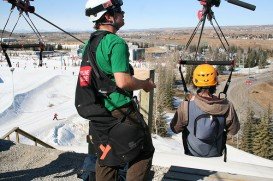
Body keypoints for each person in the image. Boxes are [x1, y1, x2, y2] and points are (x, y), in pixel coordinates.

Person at [83, 0, 156, 180]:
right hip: (120, 108)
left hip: (98, 109)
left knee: (107, 156)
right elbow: (123, 82)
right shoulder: (116, 43)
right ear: (108, 17)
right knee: (144, 150)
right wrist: (144, 84)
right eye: (119, 11)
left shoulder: (90, 43)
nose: (123, 14)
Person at [170, 64, 240, 159]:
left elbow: (175, 129)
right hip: (216, 154)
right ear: (215, 82)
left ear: (195, 82)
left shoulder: (186, 105)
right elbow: (233, 131)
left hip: (192, 155)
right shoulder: (226, 106)